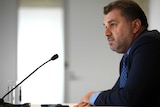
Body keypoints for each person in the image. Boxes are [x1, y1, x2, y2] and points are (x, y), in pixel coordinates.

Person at [73, 0, 160, 107]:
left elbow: (129, 98)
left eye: (113, 25)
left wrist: (92, 97)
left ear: (135, 26)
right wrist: (93, 102)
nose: (106, 33)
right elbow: (119, 92)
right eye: (105, 26)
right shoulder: (129, 54)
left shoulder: (149, 45)